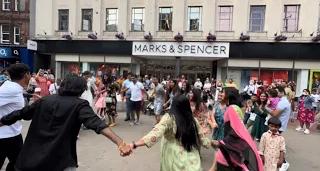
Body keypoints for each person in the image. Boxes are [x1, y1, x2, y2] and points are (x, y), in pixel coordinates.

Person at [0, 74, 132, 171]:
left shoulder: (45, 101)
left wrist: (1, 122)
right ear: (81, 89)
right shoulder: (79, 105)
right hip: (59, 162)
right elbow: (97, 123)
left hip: (29, 160)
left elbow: (19, 114)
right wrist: (120, 143)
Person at [129, 94, 215, 171]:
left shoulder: (169, 118)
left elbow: (155, 134)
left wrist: (135, 144)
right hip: (191, 156)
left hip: (174, 156)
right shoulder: (193, 120)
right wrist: (214, 143)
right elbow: (203, 139)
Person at [211, 87, 263, 171]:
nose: (221, 94)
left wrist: (221, 143)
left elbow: (236, 131)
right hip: (230, 149)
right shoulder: (234, 107)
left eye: (223, 92)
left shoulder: (232, 108)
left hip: (228, 153)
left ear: (229, 95)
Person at [0, 63, 31, 171]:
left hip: (13, 134)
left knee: (18, 164)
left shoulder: (13, 87)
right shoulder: (12, 89)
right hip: (6, 137)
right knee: (20, 164)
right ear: (26, 75)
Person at [265, 86, 291, 171]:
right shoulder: (280, 100)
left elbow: (275, 113)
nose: (275, 94)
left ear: (282, 92)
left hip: (277, 126)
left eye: (276, 92)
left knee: (277, 145)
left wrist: (266, 108)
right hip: (276, 125)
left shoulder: (282, 102)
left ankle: (283, 162)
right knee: (273, 144)